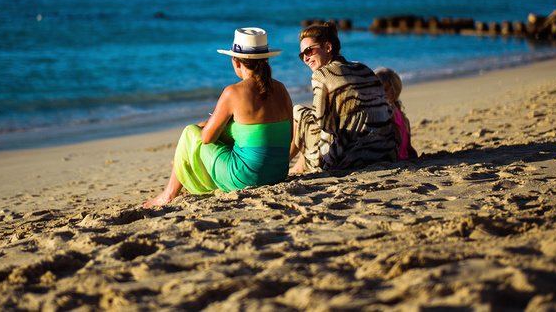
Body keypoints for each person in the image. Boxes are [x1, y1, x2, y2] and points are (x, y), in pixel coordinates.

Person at [145, 27, 293, 207]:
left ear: (236, 62)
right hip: (278, 173)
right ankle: (179, 188)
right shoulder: (282, 89)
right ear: (267, 59)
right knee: (203, 126)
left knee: (191, 132)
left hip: (248, 177)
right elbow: (288, 135)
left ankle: (168, 194)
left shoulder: (234, 92)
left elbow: (207, 139)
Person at [289, 21, 398, 174]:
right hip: (383, 153)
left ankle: (286, 163)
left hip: (345, 159)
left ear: (328, 47)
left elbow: (320, 122)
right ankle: (297, 165)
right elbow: (388, 113)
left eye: (309, 52)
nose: (305, 59)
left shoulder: (322, 74)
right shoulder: (364, 69)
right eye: (302, 55)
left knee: (298, 112)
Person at [375, 67, 417, 160]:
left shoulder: (387, 111)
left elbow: (399, 139)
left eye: (384, 89)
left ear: (394, 91)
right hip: (403, 156)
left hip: (394, 157)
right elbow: (408, 145)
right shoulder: (400, 113)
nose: (379, 92)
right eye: (376, 88)